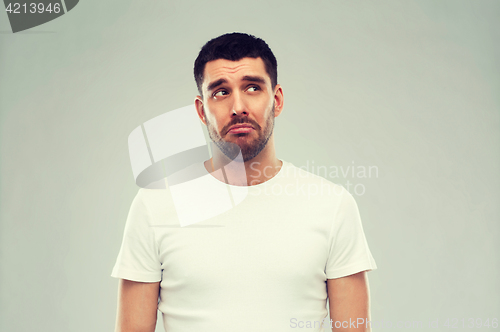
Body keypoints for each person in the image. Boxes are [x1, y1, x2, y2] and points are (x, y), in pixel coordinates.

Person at [111, 32, 377, 332]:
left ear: (276, 100)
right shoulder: (155, 204)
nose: (238, 106)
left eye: (252, 87)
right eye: (221, 92)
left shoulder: (332, 206)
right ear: (201, 110)